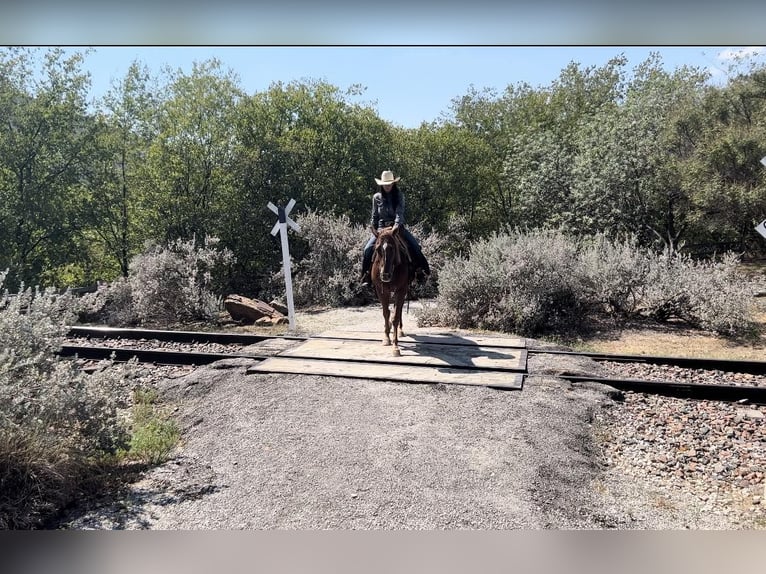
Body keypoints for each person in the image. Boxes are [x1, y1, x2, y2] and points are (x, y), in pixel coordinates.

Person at [360, 170, 431, 287]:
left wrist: (396, 226)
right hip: (381, 229)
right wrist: (374, 228)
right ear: (382, 184)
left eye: (389, 183)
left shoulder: (399, 196)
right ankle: (366, 276)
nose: (387, 186)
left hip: (396, 229)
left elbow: (400, 213)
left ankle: (422, 272)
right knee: (367, 249)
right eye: (385, 184)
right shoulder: (376, 197)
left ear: (393, 184)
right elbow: (374, 216)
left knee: (415, 246)